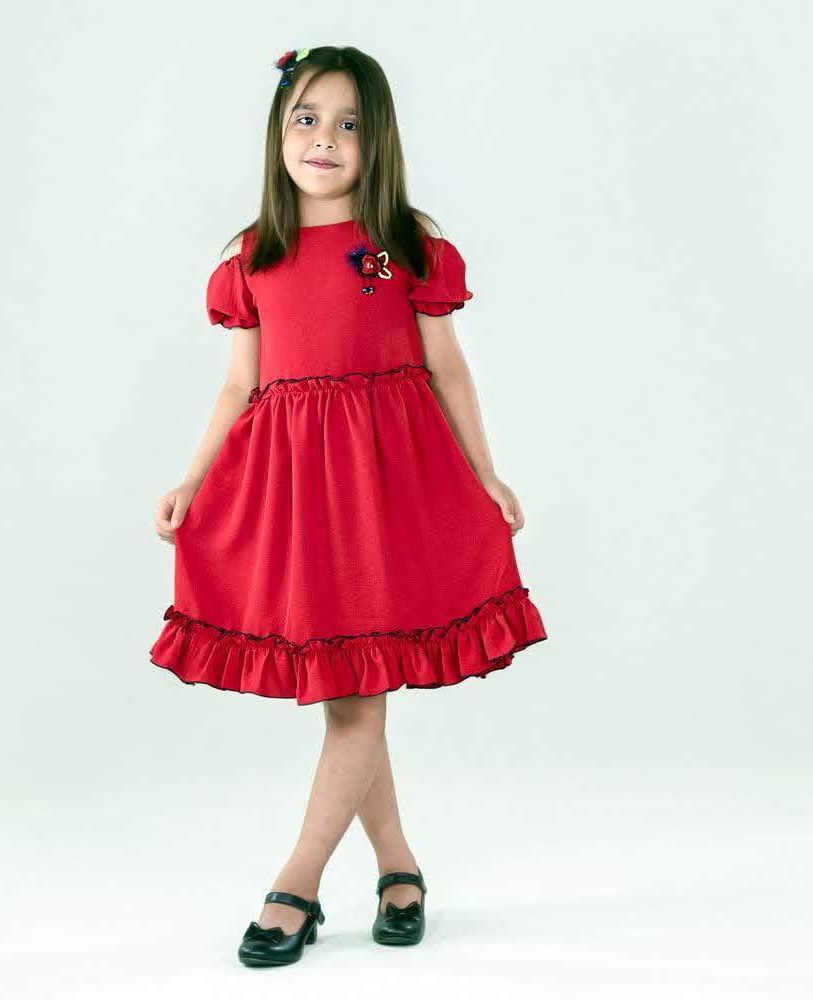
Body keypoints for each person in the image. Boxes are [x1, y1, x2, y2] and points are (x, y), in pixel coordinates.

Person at [150, 45, 548, 967]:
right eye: (307, 118)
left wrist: (486, 474)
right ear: (278, 132)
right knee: (348, 688)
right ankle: (399, 865)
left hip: (390, 488)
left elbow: (446, 366)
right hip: (300, 495)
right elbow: (240, 385)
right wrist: (194, 479)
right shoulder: (253, 255)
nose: (324, 138)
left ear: (379, 142)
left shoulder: (403, 244)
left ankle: (296, 882)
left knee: (354, 694)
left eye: (348, 123)